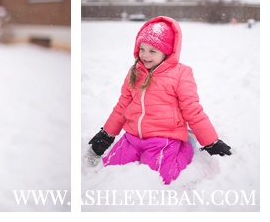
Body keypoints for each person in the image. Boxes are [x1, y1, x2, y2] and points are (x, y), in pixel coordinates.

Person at [88, 16, 231, 185]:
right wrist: (107, 134)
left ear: (167, 52)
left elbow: (192, 110)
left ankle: (187, 146)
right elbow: (122, 106)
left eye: (152, 51)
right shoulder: (134, 73)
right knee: (111, 167)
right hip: (132, 137)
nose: (145, 55)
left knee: (162, 177)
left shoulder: (180, 74)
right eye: (142, 49)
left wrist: (211, 142)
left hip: (164, 138)